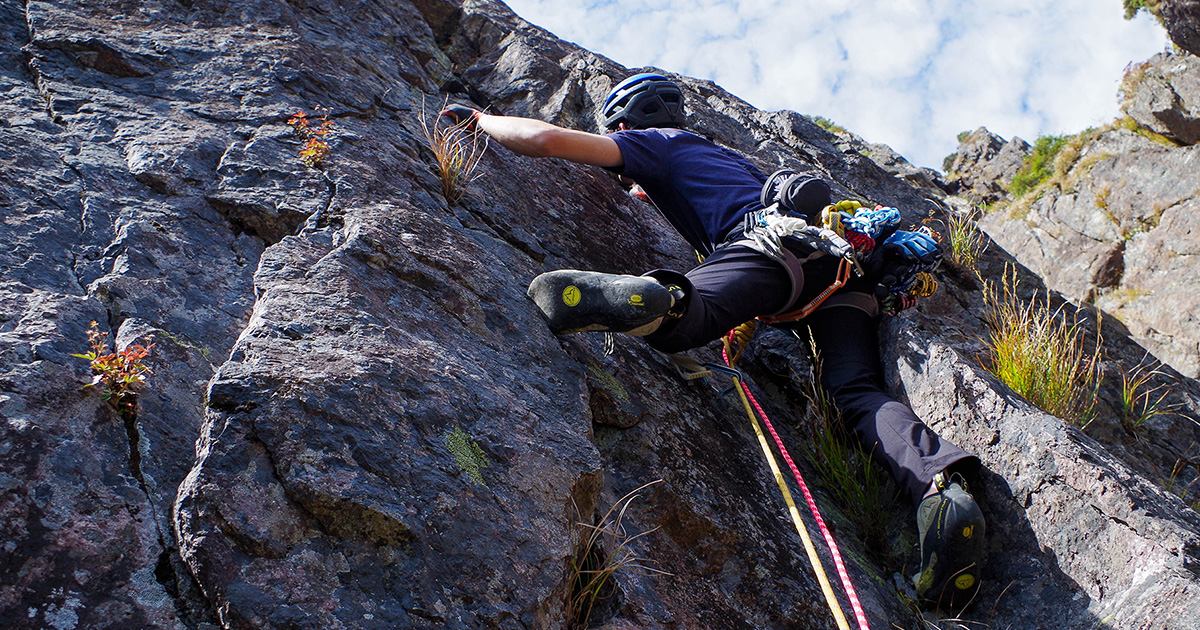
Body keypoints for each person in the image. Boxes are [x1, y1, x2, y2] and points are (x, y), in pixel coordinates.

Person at [442, 73, 986, 611]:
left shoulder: (652, 143)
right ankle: (942, 491)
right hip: (845, 274)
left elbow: (546, 140)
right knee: (857, 394)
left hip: (768, 250)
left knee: (692, 314)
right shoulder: (724, 157)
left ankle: (661, 299)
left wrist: (481, 119)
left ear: (627, 123)